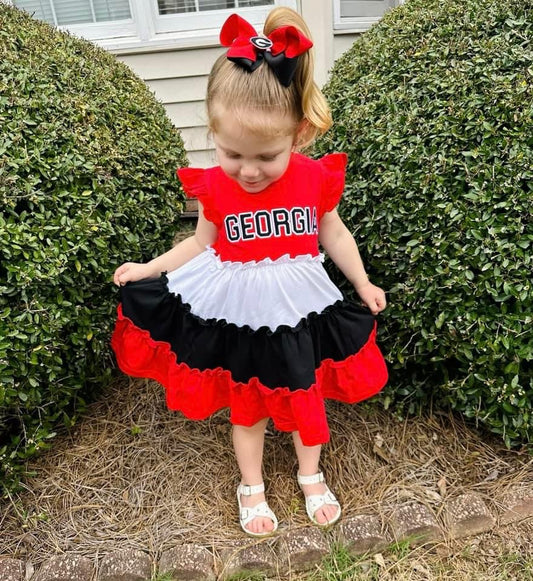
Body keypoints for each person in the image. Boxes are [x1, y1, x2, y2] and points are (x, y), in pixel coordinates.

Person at [111, 7, 388, 537]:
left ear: (299, 135)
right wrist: (149, 267)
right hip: (238, 315)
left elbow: (334, 234)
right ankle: (251, 484)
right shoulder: (217, 187)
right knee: (249, 402)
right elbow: (199, 243)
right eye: (231, 152)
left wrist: (362, 282)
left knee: (303, 388)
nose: (249, 170)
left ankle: (311, 473)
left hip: (299, 309)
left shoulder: (312, 179)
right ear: (213, 132)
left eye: (266, 155)